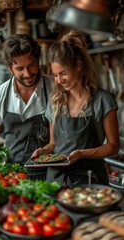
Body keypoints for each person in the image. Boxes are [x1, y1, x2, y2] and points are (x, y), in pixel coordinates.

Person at [32, 30, 120, 186]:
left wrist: (82, 154)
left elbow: (113, 146)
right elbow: (53, 144)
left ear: (79, 66)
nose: (59, 80)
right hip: (56, 180)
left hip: (90, 180)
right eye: (55, 75)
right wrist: (44, 151)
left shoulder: (102, 100)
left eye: (63, 73)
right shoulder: (55, 101)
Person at [0, 34, 54, 179]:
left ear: (38, 60)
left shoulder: (55, 89)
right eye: (20, 68)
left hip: (51, 172)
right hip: (13, 175)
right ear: (10, 68)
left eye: (32, 65)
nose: (28, 73)